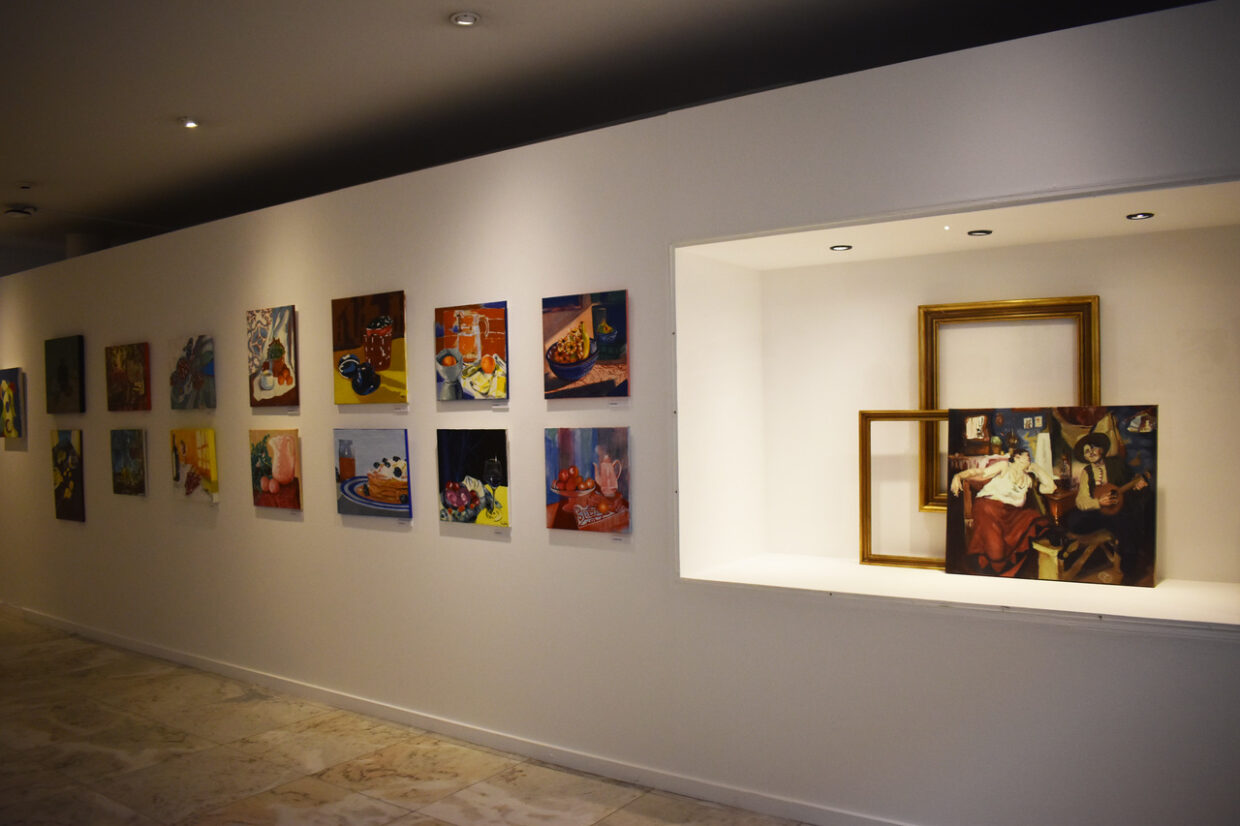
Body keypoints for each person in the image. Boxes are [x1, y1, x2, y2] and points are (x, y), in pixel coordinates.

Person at [950, 447, 1056, 576]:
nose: (1029, 459)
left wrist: (1036, 468)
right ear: (1016, 457)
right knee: (996, 552)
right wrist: (958, 476)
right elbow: (981, 473)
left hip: (1010, 514)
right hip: (988, 506)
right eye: (1026, 456)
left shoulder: (1028, 479)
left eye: (1029, 458)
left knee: (1033, 516)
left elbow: (1050, 487)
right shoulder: (1005, 466)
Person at [1066, 432, 1151, 584]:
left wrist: (1139, 485)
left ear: (1102, 449)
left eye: (1093, 448)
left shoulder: (1117, 463)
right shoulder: (1087, 472)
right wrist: (1098, 503)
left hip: (1119, 510)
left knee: (1128, 528)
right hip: (1098, 512)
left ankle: (1128, 573)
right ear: (1084, 457)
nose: (1091, 452)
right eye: (1087, 451)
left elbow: (1132, 483)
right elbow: (1081, 500)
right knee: (1073, 520)